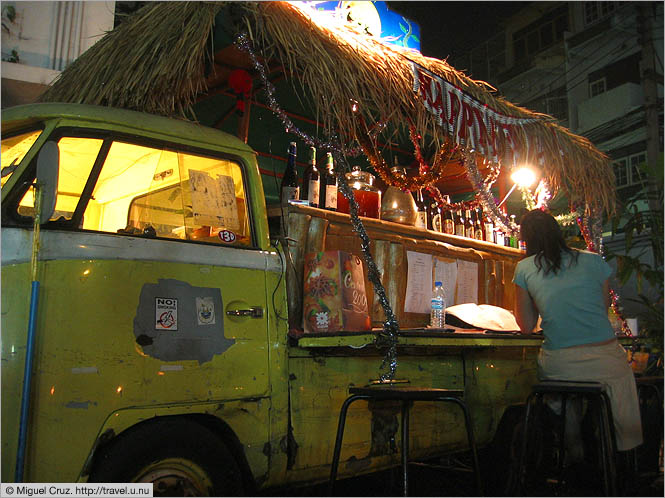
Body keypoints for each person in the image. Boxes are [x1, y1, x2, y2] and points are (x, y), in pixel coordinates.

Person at [512, 209, 642, 463]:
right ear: (558, 232)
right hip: (605, 361)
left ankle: (573, 444)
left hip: (561, 364)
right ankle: (624, 456)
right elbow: (601, 310)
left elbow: (526, 326)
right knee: (619, 378)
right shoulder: (594, 261)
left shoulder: (524, 268)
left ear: (526, 239)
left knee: (564, 392)